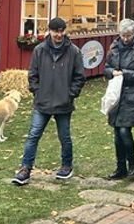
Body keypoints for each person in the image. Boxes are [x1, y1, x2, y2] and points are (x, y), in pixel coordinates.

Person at [13, 17, 85, 185]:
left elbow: (79, 76)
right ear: (50, 31)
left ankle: (66, 165)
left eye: (61, 31)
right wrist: (37, 91)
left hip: (63, 102)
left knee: (64, 136)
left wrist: (71, 94)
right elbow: (33, 74)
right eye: (55, 31)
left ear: (65, 31)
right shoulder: (39, 50)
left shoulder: (73, 51)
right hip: (42, 102)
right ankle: (25, 168)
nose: (59, 34)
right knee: (33, 135)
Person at [103, 19, 134, 180]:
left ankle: (132, 164)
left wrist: (125, 73)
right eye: (123, 35)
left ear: (133, 34)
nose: (125, 39)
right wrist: (112, 72)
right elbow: (107, 68)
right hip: (116, 93)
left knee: (124, 130)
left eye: (128, 35)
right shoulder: (114, 47)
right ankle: (120, 167)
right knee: (117, 132)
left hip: (133, 95)